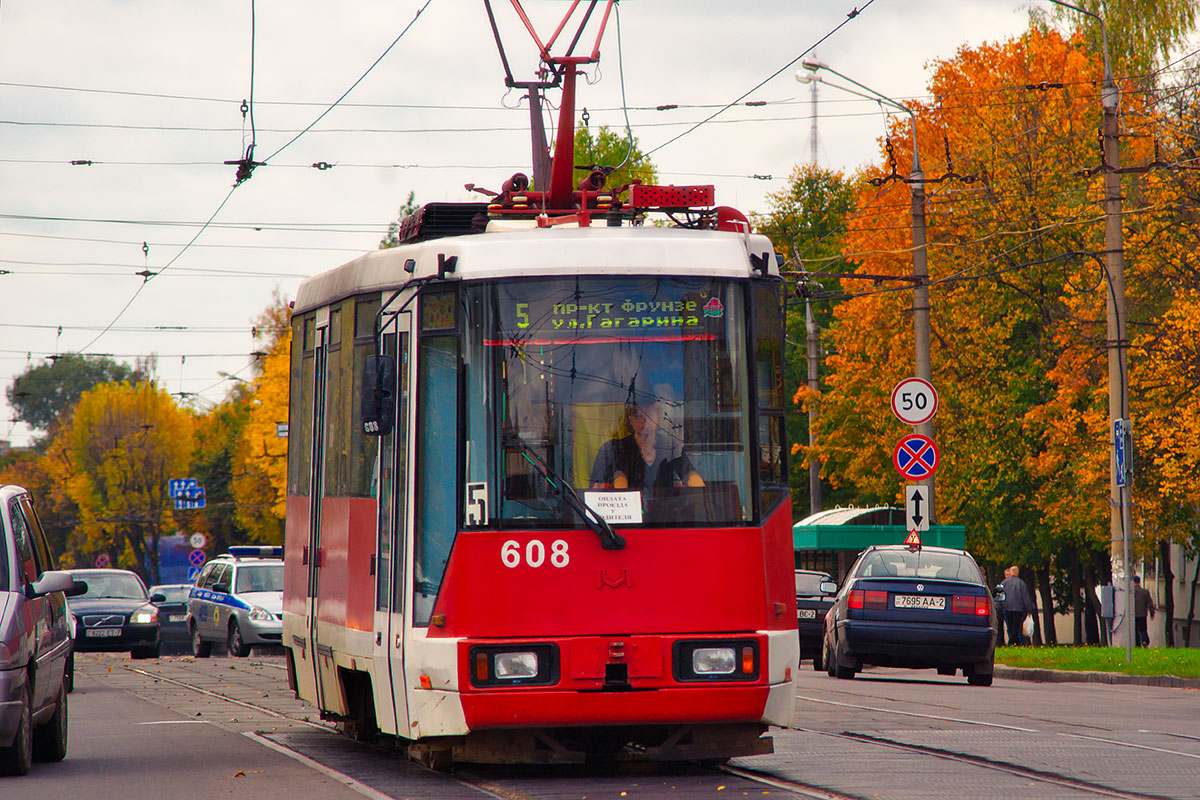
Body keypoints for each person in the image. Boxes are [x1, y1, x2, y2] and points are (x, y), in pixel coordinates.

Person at [589, 398, 703, 491]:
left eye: (650, 416)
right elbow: (596, 492)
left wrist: (701, 493)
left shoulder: (670, 446)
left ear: (657, 418)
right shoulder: (615, 448)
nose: (644, 421)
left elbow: (690, 475)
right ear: (631, 420)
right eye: (639, 416)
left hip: (665, 515)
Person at [1000, 565, 1036, 645]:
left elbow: (998, 595)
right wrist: (1029, 608)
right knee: (1016, 627)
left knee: (1010, 626)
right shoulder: (1021, 583)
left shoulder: (1004, 583)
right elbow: (1025, 598)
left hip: (1007, 608)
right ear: (1017, 573)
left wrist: (998, 606)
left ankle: (1013, 642)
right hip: (1018, 609)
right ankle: (1014, 642)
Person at [1132, 575, 1156, 647]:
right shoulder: (1145, 592)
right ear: (1139, 582)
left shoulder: (1131, 593)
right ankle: (1145, 641)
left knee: (1135, 631)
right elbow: (1150, 603)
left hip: (1133, 615)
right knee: (1143, 629)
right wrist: (1152, 613)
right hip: (1143, 614)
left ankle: (1137, 645)